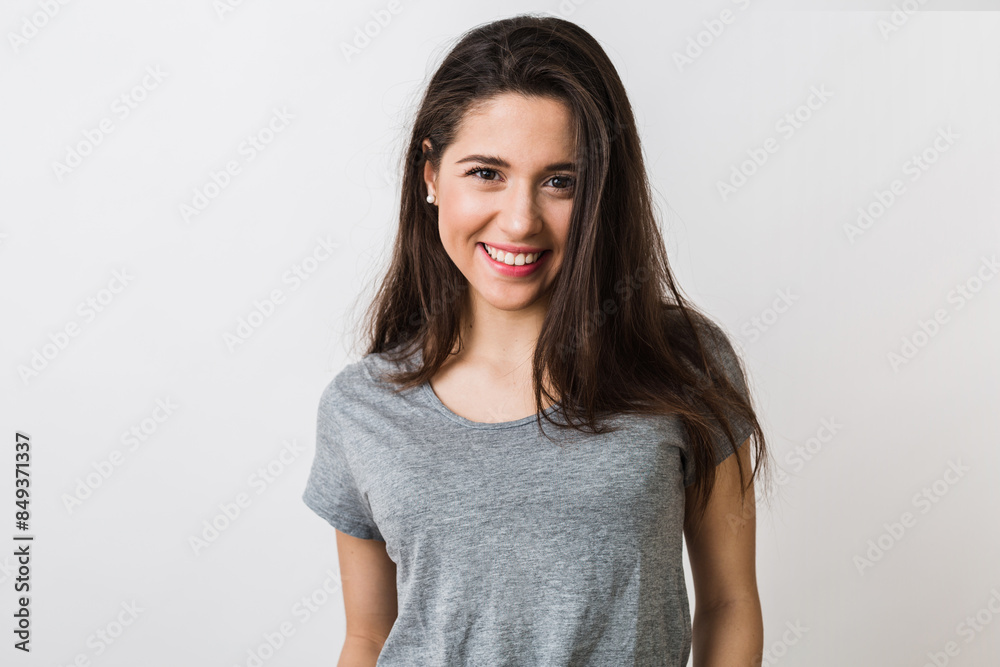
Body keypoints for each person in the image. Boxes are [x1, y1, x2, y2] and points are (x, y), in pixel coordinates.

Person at [302, 13, 774, 666]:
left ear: (602, 190)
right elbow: (368, 635)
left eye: (560, 181)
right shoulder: (362, 407)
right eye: (486, 173)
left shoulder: (682, 363)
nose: (520, 220)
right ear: (430, 175)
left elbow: (729, 602)